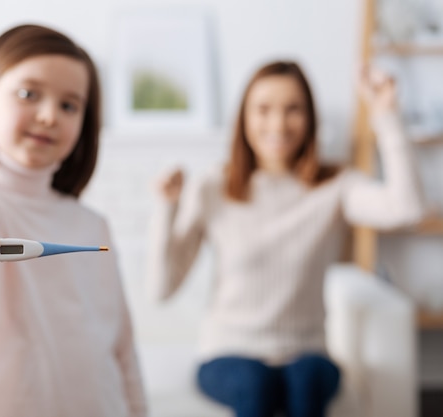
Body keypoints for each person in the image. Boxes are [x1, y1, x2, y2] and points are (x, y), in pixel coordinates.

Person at [147, 61, 424, 417]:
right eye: (263, 110)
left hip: (308, 354)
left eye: (293, 109)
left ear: (310, 118)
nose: (277, 124)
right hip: (228, 354)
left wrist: (386, 116)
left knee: (304, 378)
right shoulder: (213, 187)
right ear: (244, 118)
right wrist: (167, 208)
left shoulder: (335, 185)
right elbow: (161, 289)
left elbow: (408, 208)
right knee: (256, 383)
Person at [0, 24, 146, 417]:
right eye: (29, 94)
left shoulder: (94, 225)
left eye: (69, 105)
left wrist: (137, 408)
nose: (48, 116)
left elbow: (121, 341)